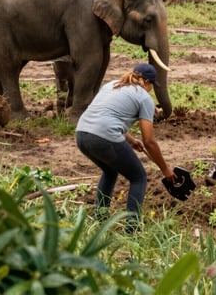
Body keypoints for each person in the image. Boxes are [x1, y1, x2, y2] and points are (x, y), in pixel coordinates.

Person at [75, 63, 175, 224]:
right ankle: (132, 228)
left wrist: (131, 140)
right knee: (138, 177)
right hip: (104, 137)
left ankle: (100, 219)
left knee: (110, 171)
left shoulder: (111, 85)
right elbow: (149, 141)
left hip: (81, 134)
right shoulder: (144, 97)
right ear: (147, 82)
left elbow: (105, 115)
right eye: (152, 86)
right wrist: (165, 169)